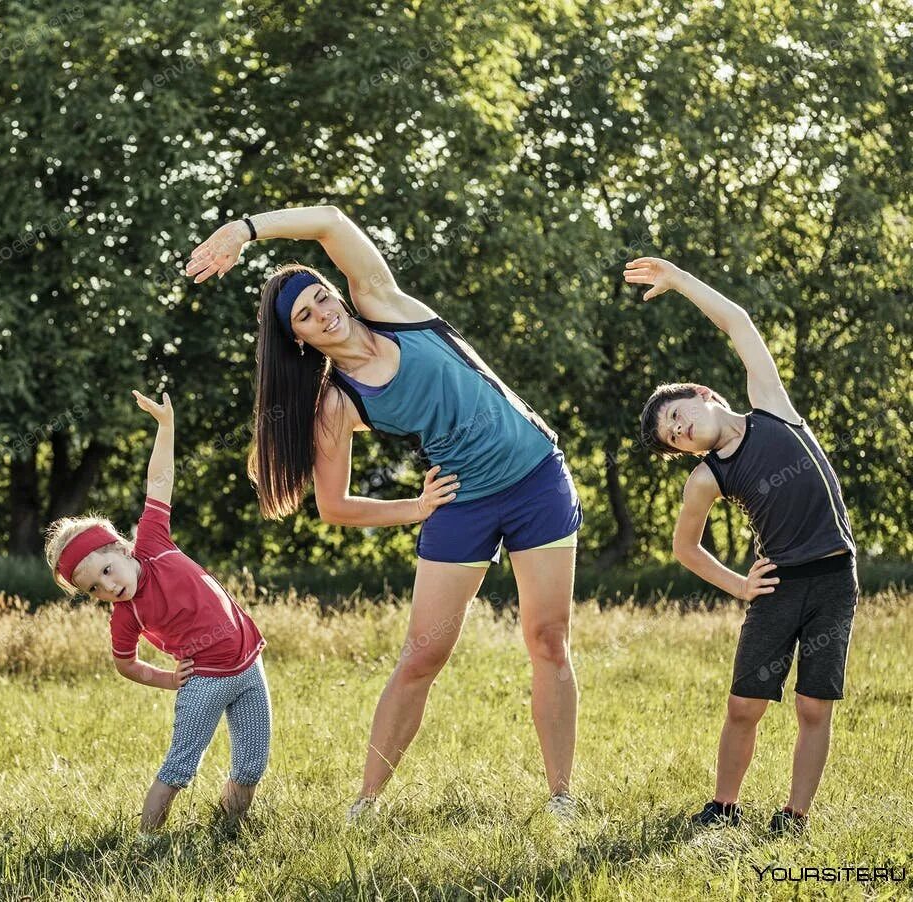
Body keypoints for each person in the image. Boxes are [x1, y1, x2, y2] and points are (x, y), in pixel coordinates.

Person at [185, 206, 582, 820]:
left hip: (537, 478)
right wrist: (416, 508)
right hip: (462, 503)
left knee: (548, 640)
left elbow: (329, 221)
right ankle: (365, 804)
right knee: (422, 656)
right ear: (299, 339)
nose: (324, 312)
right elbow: (333, 506)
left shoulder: (385, 303)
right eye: (306, 316)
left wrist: (244, 230)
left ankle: (561, 798)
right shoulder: (337, 403)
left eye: (321, 297)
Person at [628, 256, 858, 835]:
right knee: (744, 706)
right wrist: (738, 584)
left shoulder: (772, 408)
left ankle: (795, 817)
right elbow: (686, 547)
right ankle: (723, 807)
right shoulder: (708, 477)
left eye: (678, 416)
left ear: (704, 396)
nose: (680, 432)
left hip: (834, 579)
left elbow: (737, 322)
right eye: (673, 438)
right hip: (778, 588)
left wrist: (679, 279)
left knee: (813, 706)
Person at [45, 390, 270, 833]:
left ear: (122, 549)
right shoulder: (125, 617)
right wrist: (168, 680)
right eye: (94, 589)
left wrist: (165, 427)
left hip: (250, 665)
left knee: (251, 764)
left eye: (107, 571)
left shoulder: (154, 543)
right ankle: (147, 841)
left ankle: (228, 829)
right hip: (204, 682)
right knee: (178, 769)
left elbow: (160, 480)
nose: (108, 587)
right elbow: (124, 663)